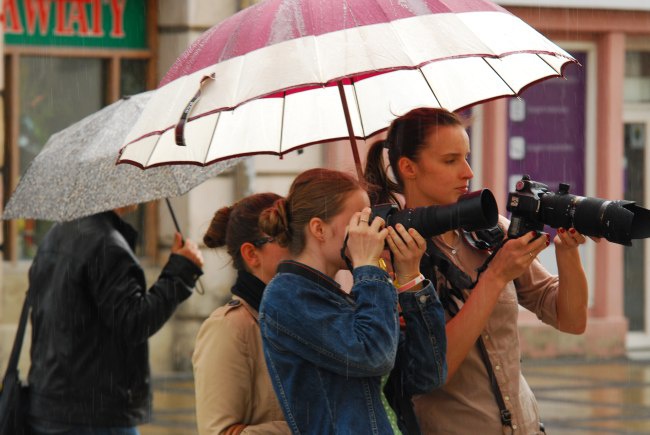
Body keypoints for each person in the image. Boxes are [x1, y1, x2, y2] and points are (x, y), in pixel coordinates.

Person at [364, 107, 591, 434]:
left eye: (467, 157)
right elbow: (435, 368)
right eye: (450, 160)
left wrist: (567, 253)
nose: (468, 172)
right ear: (408, 167)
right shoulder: (389, 253)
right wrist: (495, 276)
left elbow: (571, 320)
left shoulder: (490, 231)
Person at [258, 168, 447, 434]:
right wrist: (370, 269)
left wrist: (412, 280)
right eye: (360, 221)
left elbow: (427, 375)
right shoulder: (286, 298)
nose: (372, 230)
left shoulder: (340, 297)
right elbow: (374, 356)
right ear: (319, 229)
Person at [26, 205, 204, 435]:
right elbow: (134, 321)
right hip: (94, 412)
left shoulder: (57, 233)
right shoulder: (106, 243)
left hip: (50, 402)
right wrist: (181, 271)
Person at [192, 193, 291, 434]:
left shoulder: (299, 315)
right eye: (285, 237)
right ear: (251, 254)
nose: (299, 246)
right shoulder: (229, 328)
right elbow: (218, 431)